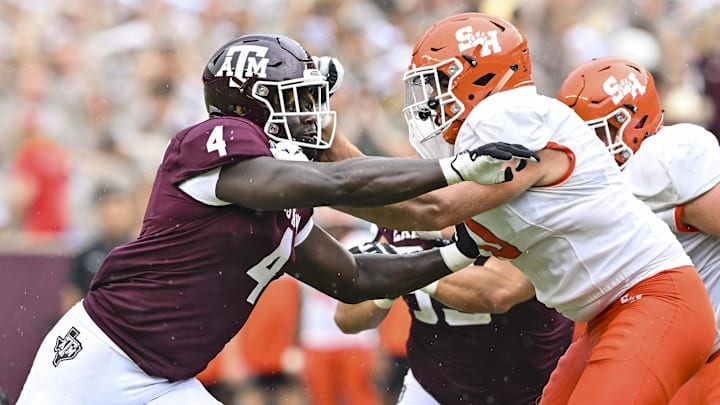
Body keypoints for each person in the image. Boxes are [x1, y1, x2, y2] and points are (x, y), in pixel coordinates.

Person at [15, 33, 537, 405]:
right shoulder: (211, 145)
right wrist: (451, 170)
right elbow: (337, 182)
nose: (312, 112)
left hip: (165, 379)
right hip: (99, 359)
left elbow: (357, 280)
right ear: (252, 103)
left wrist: (458, 251)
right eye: (298, 98)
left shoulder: (285, 197)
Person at [322, 13, 716, 404]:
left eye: (438, 83)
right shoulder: (481, 154)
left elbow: (428, 210)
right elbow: (403, 209)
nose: (430, 102)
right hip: (606, 317)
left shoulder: (507, 118)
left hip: (654, 301)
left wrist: (324, 171)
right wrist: (326, 142)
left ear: (477, 77)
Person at [557, 56, 720, 404]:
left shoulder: (665, 157)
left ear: (626, 124)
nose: (580, 148)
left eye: (591, 134)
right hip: (632, 335)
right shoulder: (587, 184)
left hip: (701, 350)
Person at [334, 227, 573, 405]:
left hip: (533, 389)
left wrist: (404, 267)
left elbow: (499, 292)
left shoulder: (509, 208)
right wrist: (385, 285)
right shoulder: (400, 217)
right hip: (432, 386)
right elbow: (347, 318)